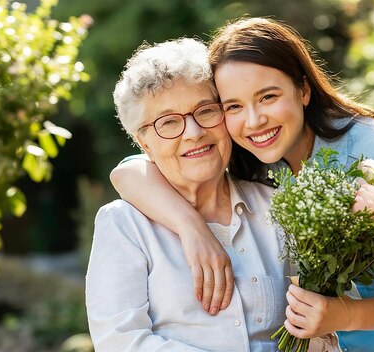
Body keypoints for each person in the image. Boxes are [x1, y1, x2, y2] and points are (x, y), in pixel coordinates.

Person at [110, 17, 374, 351]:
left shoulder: (372, 152)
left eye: (269, 96)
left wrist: (343, 315)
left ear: (303, 89)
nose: (254, 120)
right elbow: (129, 170)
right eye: (233, 106)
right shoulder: (249, 159)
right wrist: (190, 227)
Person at [85, 38, 292, 351]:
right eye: (168, 122)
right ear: (144, 143)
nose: (194, 133)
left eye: (206, 111)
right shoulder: (125, 224)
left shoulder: (277, 206)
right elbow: (120, 342)